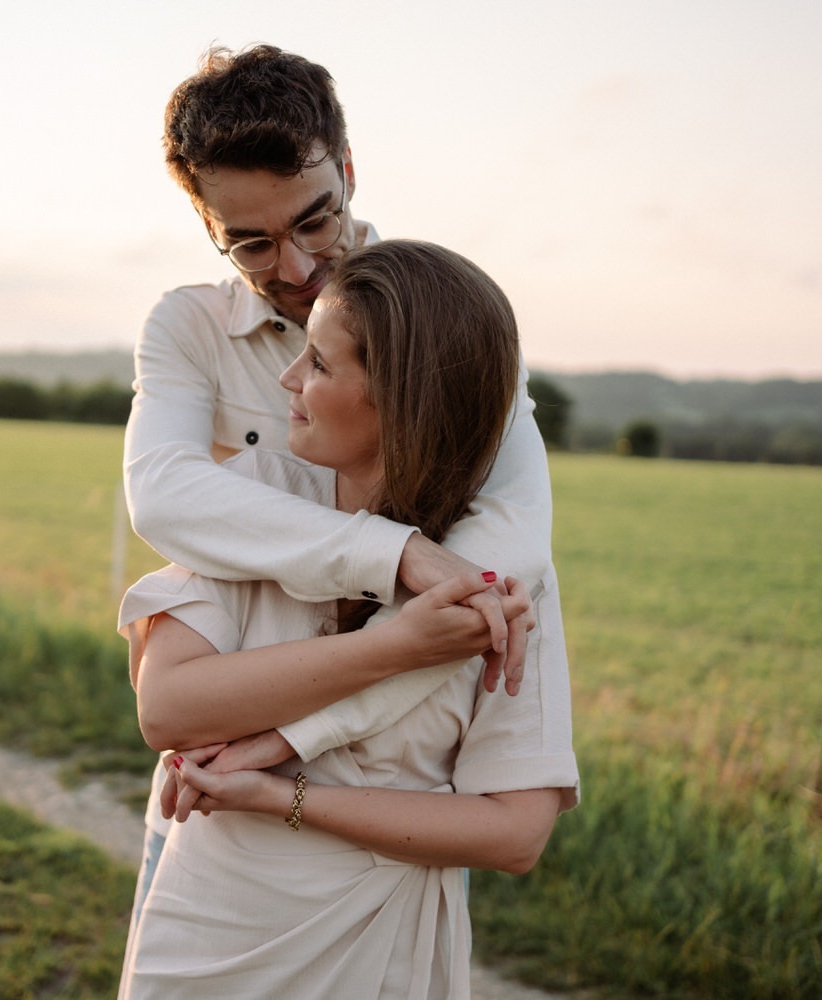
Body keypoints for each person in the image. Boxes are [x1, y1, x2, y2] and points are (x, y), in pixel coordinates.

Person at [119, 42, 561, 977]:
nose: (298, 263)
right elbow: (162, 494)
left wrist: (287, 746)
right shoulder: (187, 330)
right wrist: (394, 551)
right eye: (250, 242)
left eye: (316, 218)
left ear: (348, 169)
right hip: (219, 806)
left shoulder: (445, 328)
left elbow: (504, 555)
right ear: (208, 226)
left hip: (378, 814)